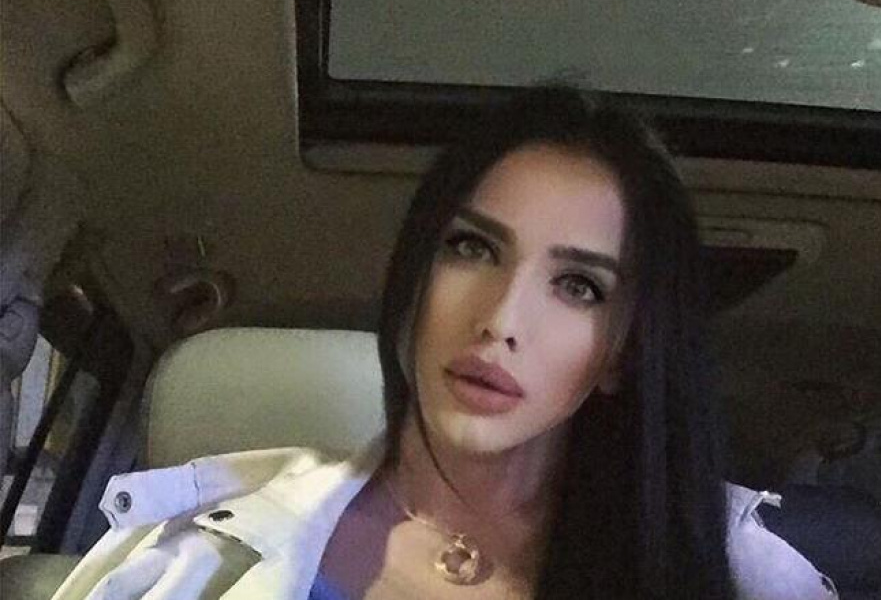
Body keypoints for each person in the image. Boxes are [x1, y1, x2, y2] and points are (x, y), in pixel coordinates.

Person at [50, 88, 837, 599]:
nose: (501, 318)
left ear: (621, 353)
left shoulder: (739, 573)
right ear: (414, 275)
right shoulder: (190, 557)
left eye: (579, 285)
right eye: (471, 247)